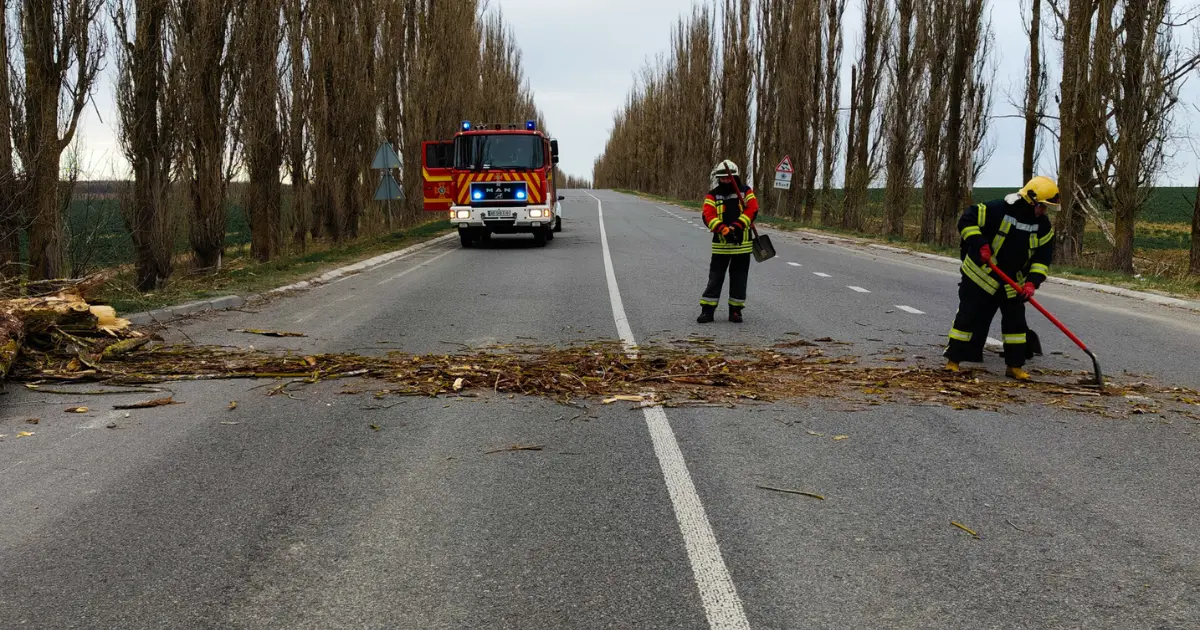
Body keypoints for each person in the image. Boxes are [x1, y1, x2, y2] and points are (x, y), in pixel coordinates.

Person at [944, 176, 1058, 380]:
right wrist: (980, 243)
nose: (1044, 211)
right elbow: (967, 220)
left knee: (1016, 324)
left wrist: (1032, 282)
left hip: (1012, 282)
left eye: (1046, 208)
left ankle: (1014, 366)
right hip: (980, 275)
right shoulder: (998, 209)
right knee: (968, 318)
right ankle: (953, 361)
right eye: (1042, 206)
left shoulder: (1043, 226)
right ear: (1030, 200)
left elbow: (1042, 258)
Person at [698, 160, 759, 324]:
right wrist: (722, 229)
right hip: (721, 246)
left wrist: (737, 226)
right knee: (715, 279)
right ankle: (707, 311)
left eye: (727, 178)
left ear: (735, 176)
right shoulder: (713, 194)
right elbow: (707, 215)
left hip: (742, 246)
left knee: (739, 279)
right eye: (722, 178)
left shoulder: (746, 192)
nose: (725, 180)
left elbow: (752, 209)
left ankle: (736, 311)